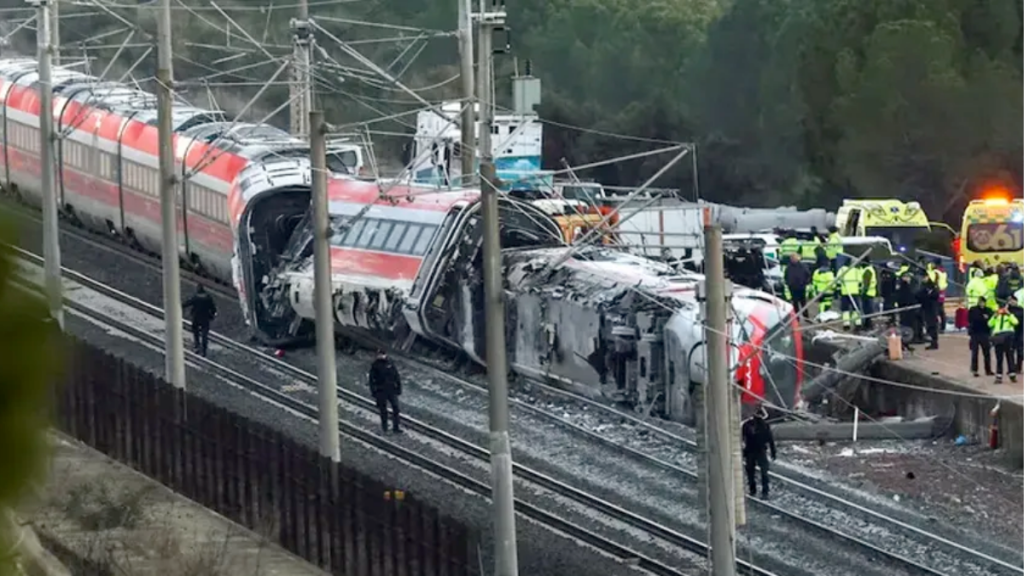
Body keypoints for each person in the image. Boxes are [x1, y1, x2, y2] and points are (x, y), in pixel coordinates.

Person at [741, 406, 776, 499]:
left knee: (755, 472)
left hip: (756, 451)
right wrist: (773, 452)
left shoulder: (750, 425)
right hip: (754, 451)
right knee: (755, 472)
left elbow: (770, 440)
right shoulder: (750, 425)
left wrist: (773, 452)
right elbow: (770, 440)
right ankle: (759, 491)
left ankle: (759, 491)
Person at [368, 350, 403, 433]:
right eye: (379, 355)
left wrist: (399, 388)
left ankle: (396, 427)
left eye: (382, 354)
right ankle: (385, 428)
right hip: (381, 390)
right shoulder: (375, 365)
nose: (381, 356)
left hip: (391, 390)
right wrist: (374, 392)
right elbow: (371, 380)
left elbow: (396, 376)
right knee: (383, 410)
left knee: (396, 408)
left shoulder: (390, 364)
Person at [182, 284, 217, 357]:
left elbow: (187, 303)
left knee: (196, 333)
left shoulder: (195, 297)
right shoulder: (208, 298)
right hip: (205, 318)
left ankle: (197, 346)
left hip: (196, 318)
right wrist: (212, 315)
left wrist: (181, 305)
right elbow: (213, 308)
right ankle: (204, 350)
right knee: (205, 334)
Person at [989, 306, 1019, 384]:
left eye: (1003, 309)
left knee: (1010, 356)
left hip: (1008, 337)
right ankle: (999, 376)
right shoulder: (996, 316)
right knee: (999, 358)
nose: (1002, 310)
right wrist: (995, 316)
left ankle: (1012, 375)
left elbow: (1016, 322)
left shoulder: (1009, 316)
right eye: (1000, 309)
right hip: (998, 338)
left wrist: (1009, 314)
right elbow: (989, 324)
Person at [967, 297, 993, 377]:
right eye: (980, 302)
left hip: (985, 333)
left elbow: (991, 320)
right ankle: (974, 370)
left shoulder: (988, 310)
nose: (982, 303)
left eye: (983, 302)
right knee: (975, 353)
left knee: (987, 353)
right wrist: (983, 318)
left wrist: (983, 319)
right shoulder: (973, 309)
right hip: (975, 333)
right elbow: (971, 319)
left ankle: (988, 370)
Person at [784, 253, 811, 318]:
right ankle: (797, 317)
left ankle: (806, 316)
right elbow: (786, 276)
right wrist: (789, 283)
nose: (793, 259)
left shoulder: (803, 266)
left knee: (803, 303)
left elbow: (808, 275)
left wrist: (805, 282)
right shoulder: (788, 267)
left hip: (801, 287)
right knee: (795, 303)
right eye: (792, 258)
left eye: (794, 258)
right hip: (793, 288)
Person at [837, 260, 862, 330]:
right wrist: (859, 291)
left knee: (845, 309)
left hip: (845, 292)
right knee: (855, 308)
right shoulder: (857, 271)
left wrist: (839, 291)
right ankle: (858, 323)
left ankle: (846, 325)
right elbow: (860, 282)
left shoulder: (841, 270)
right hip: (855, 292)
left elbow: (838, 282)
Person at [918, 277, 940, 349]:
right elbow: (920, 296)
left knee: (933, 326)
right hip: (927, 311)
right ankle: (932, 342)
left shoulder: (934, 291)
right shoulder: (924, 290)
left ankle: (934, 342)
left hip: (932, 311)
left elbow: (934, 297)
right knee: (929, 326)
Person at [859, 262, 877, 330]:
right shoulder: (870, 269)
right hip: (871, 293)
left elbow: (866, 283)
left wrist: (864, 292)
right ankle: (869, 325)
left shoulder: (867, 270)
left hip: (867, 294)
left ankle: (868, 325)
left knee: (867, 311)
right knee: (869, 310)